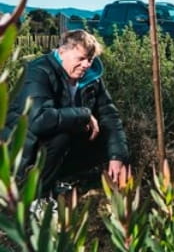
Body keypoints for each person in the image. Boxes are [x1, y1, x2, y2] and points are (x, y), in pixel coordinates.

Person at [2, 30, 129, 198]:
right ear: (62, 52)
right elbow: (39, 121)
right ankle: (35, 197)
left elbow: (109, 116)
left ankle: (60, 182)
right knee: (61, 137)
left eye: (90, 60)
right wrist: (84, 114)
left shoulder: (92, 78)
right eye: (81, 59)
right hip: (24, 152)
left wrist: (117, 156)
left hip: (58, 148)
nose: (86, 65)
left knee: (112, 138)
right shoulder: (38, 71)